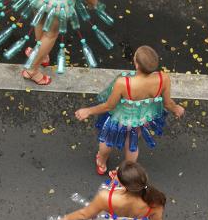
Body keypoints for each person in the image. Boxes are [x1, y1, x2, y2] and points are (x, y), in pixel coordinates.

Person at [75, 46, 185, 174]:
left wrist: (88, 111)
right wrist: (176, 108)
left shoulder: (124, 82)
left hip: (119, 120)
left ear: (136, 65)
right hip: (141, 119)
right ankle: (126, 170)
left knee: (107, 141)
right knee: (132, 144)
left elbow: (108, 106)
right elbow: (167, 103)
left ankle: (102, 163)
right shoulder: (163, 79)